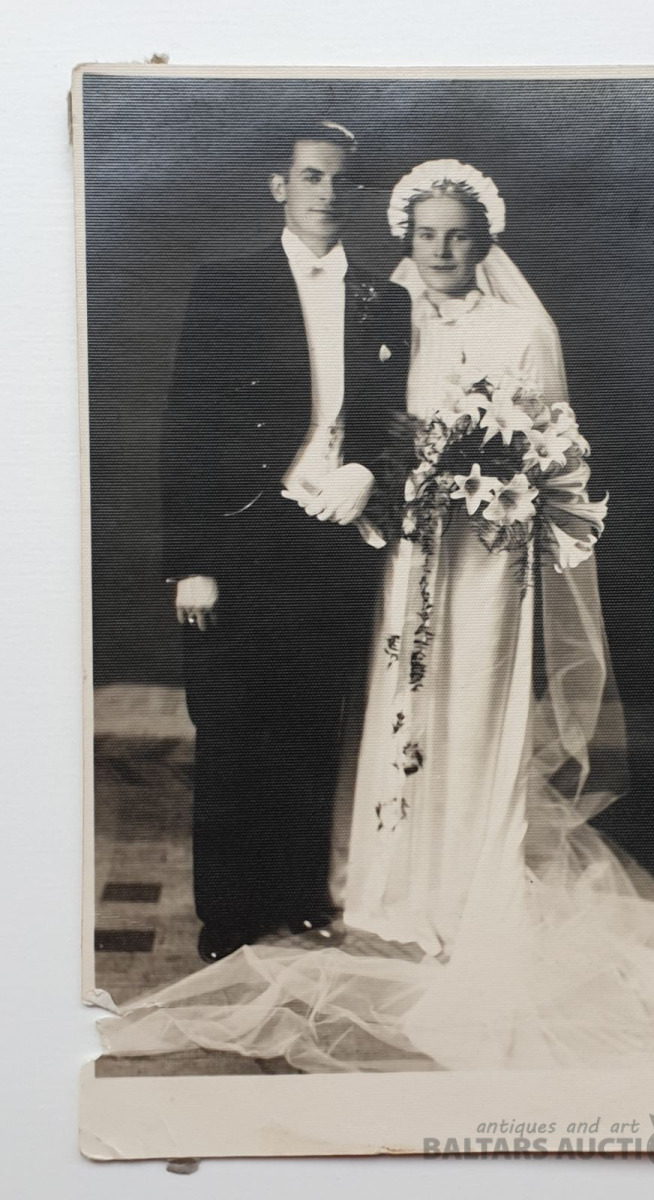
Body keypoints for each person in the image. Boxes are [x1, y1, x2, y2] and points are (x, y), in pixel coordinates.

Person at [105, 161, 654, 1076]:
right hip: (402, 554)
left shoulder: (520, 329)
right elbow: (358, 424)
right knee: (392, 704)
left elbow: (556, 453)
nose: (442, 251)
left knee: (466, 709)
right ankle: (383, 885)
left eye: (459, 235)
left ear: (486, 241)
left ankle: (465, 884)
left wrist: (495, 480)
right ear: (406, 239)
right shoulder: (384, 312)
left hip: (486, 559)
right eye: (427, 235)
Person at [160, 121, 411, 964]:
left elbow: (391, 422)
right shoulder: (226, 285)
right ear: (280, 187)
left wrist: (368, 470)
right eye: (311, 177)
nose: (328, 195)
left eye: (342, 180)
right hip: (240, 538)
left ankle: (299, 897)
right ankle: (229, 915)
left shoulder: (384, 298)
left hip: (330, 540)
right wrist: (192, 562)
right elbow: (187, 427)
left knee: (310, 724)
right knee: (233, 729)